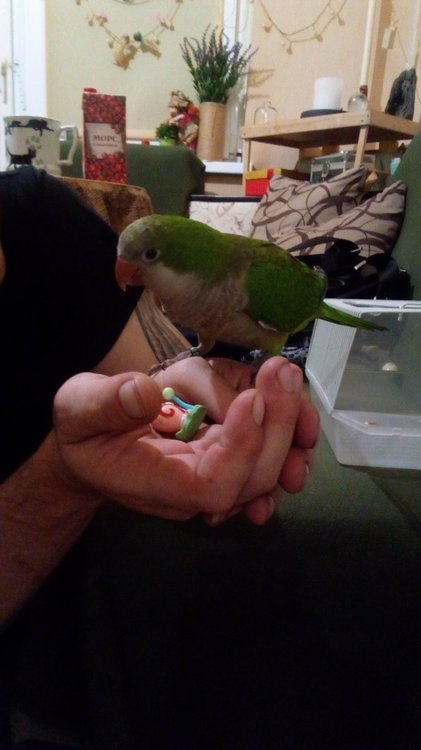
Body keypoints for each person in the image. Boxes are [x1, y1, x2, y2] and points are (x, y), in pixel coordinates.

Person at [0, 166, 318, 748]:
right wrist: (63, 475)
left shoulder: (40, 218)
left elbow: (161, 388)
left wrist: (193, 402)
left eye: (145, 259)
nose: (127, 274)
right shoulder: (163, 289)